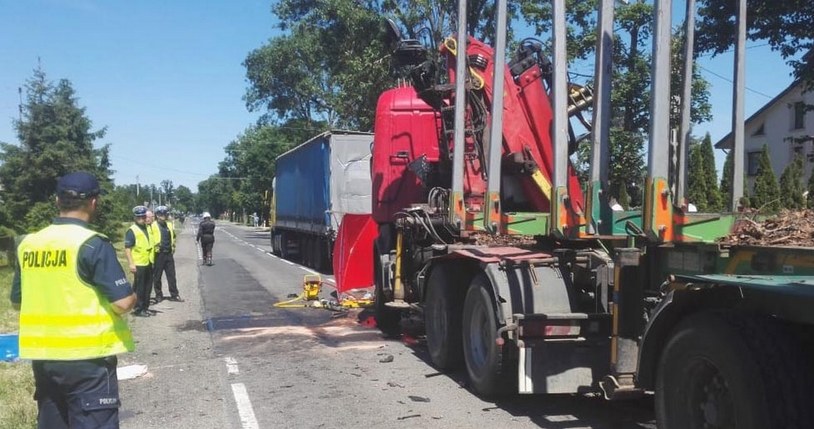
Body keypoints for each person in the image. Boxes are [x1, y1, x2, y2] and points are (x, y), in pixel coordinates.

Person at [10, 171, 136, 428]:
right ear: (93, 203)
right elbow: (122, 303)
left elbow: (16, 302)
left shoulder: (29, 244)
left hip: (44, 359)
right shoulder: (92, 244)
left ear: (57, 201)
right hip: (88, 361)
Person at [124, 205, 154, 317]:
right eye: (139, 217)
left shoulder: (147, 227)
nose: (142, 219)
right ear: (135, 218)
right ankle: (138, 308)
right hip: (139, 263)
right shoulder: (132, 230)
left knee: (148, 286)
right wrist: (131, 263)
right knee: (140, 288)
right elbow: (127, 248)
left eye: (143, 216)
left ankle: (145, 307)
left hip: (148, 262)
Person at [151, 206, 183, 302]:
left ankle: (174, 294)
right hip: (158, 254)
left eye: (165, 214)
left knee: (171, 275)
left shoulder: (169, 225)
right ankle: (158, 295)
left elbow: (173, 236)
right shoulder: (152, 226)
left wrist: (173, 247)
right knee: (157, 276)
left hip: (168, 253)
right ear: (157, 215)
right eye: (161, 214)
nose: (163, 216)